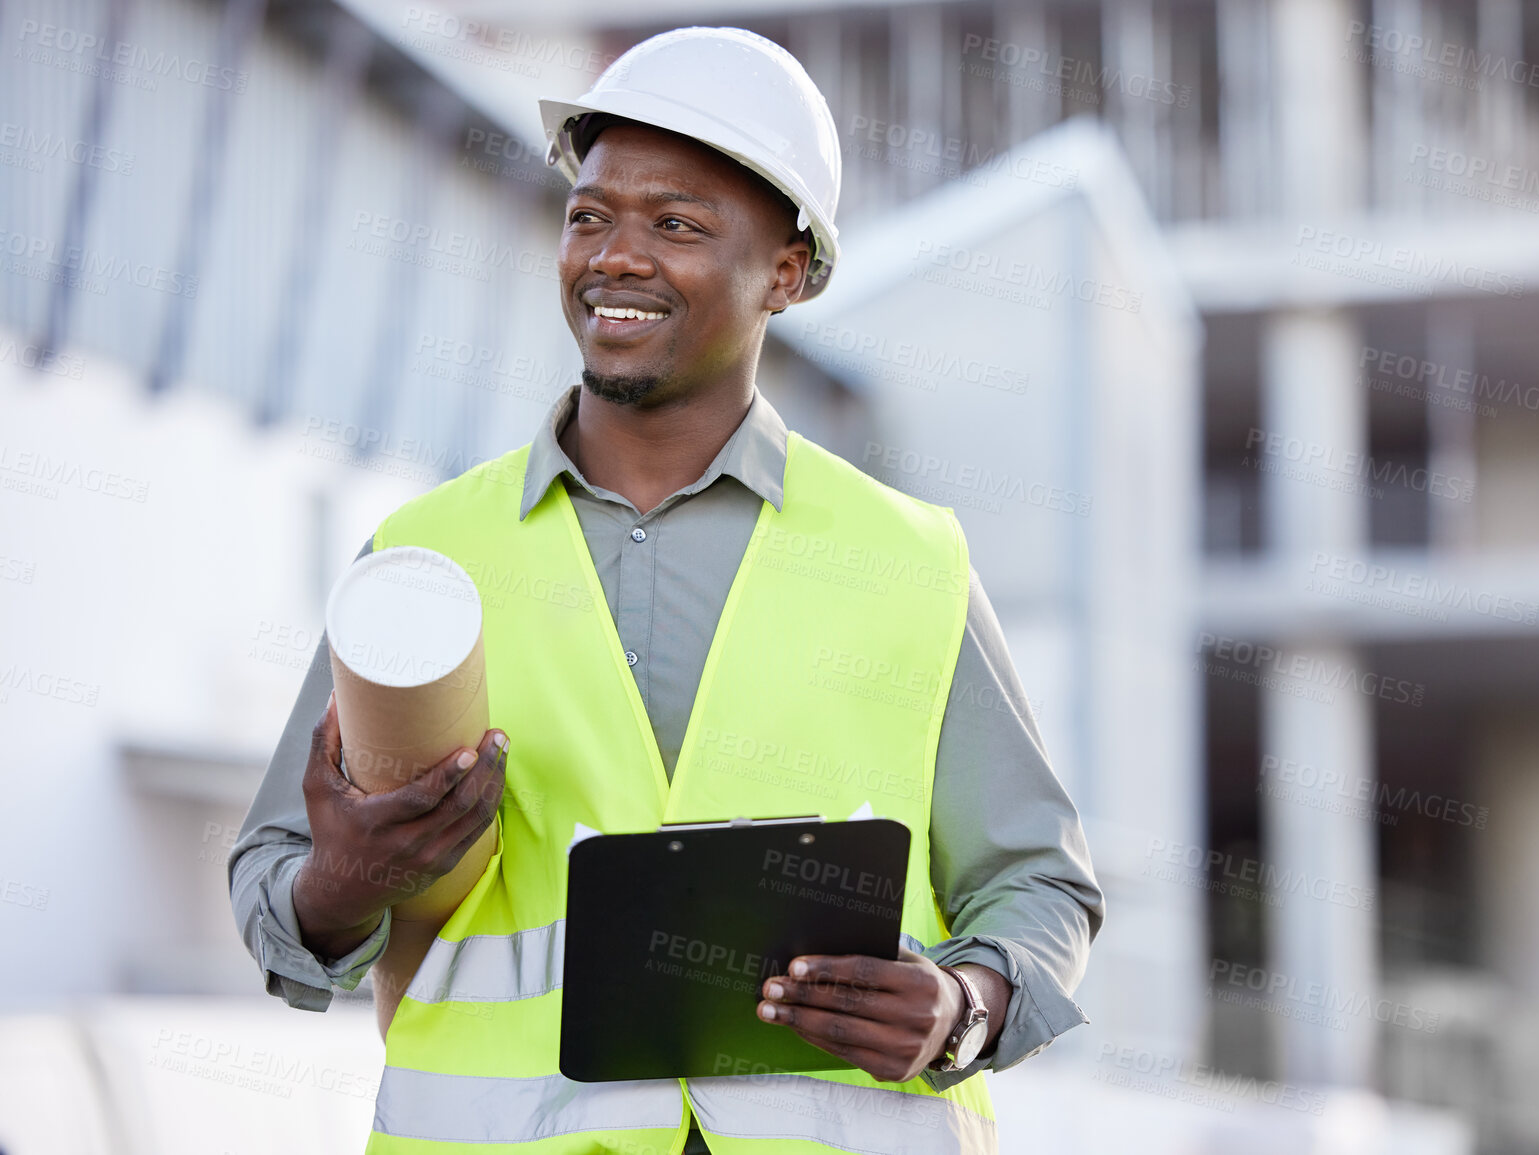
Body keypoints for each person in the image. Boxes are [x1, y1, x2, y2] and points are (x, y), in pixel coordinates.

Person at [228, 26, 1103, 1155]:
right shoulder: (428, 558)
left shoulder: (908, 559)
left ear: (786, 271)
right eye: (589, 216)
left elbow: (1038, 884)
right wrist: (339, 886)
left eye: (676, 224)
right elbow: (275, 880)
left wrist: (964, 1007)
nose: (615, 256)